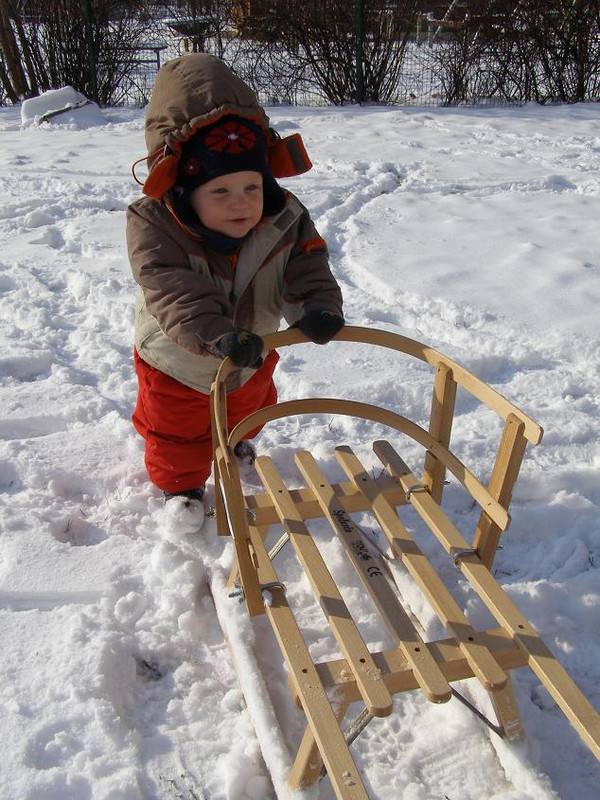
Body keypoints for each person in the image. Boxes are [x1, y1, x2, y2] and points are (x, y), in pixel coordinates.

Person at [127, 54, 344, 510]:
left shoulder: (283, 215)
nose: (240, 204)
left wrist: (316, 307)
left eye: (251, 187)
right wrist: (216, 334)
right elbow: (171, 286)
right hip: (178, 362)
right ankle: (181, 490)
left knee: (253, 405)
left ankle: (234, 440)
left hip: (252, 352)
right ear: (185, 190)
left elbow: (306, 264)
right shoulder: (156, 224)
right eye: (220, 191)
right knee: (178, 431)